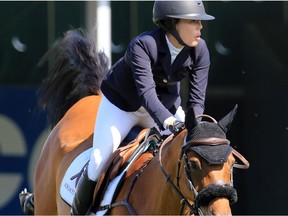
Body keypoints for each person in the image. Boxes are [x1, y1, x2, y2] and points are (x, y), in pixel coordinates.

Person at [71, 0, 215, 214]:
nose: (200, 27)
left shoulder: (200, 50)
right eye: (193, 21)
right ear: (172, 23)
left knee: (188, 151)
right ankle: (78, 212)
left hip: (165, 107)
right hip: (122, 107)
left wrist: (195, 126)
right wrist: (169, 121)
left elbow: (196, 100)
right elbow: (147, 93)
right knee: (100, 160)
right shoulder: (143, 45)